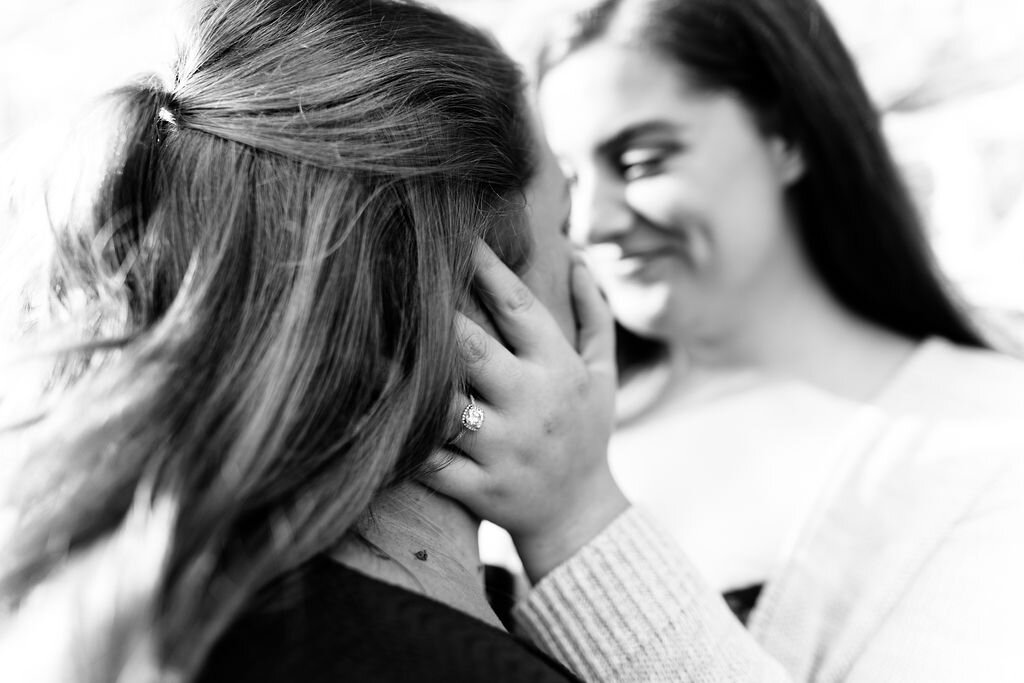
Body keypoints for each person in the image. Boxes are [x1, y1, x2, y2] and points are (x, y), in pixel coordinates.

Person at [0, 1, 620, 680]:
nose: (588, 269)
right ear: (469, 303)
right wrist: (583, 515)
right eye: (565, 228)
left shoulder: (115, 598)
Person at [433, 0, 1024, 680]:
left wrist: (576, 520)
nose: (594, 220)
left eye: (642, 159)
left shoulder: (991, 437)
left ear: (788, 136)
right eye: (569, 183)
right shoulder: (539, 414)